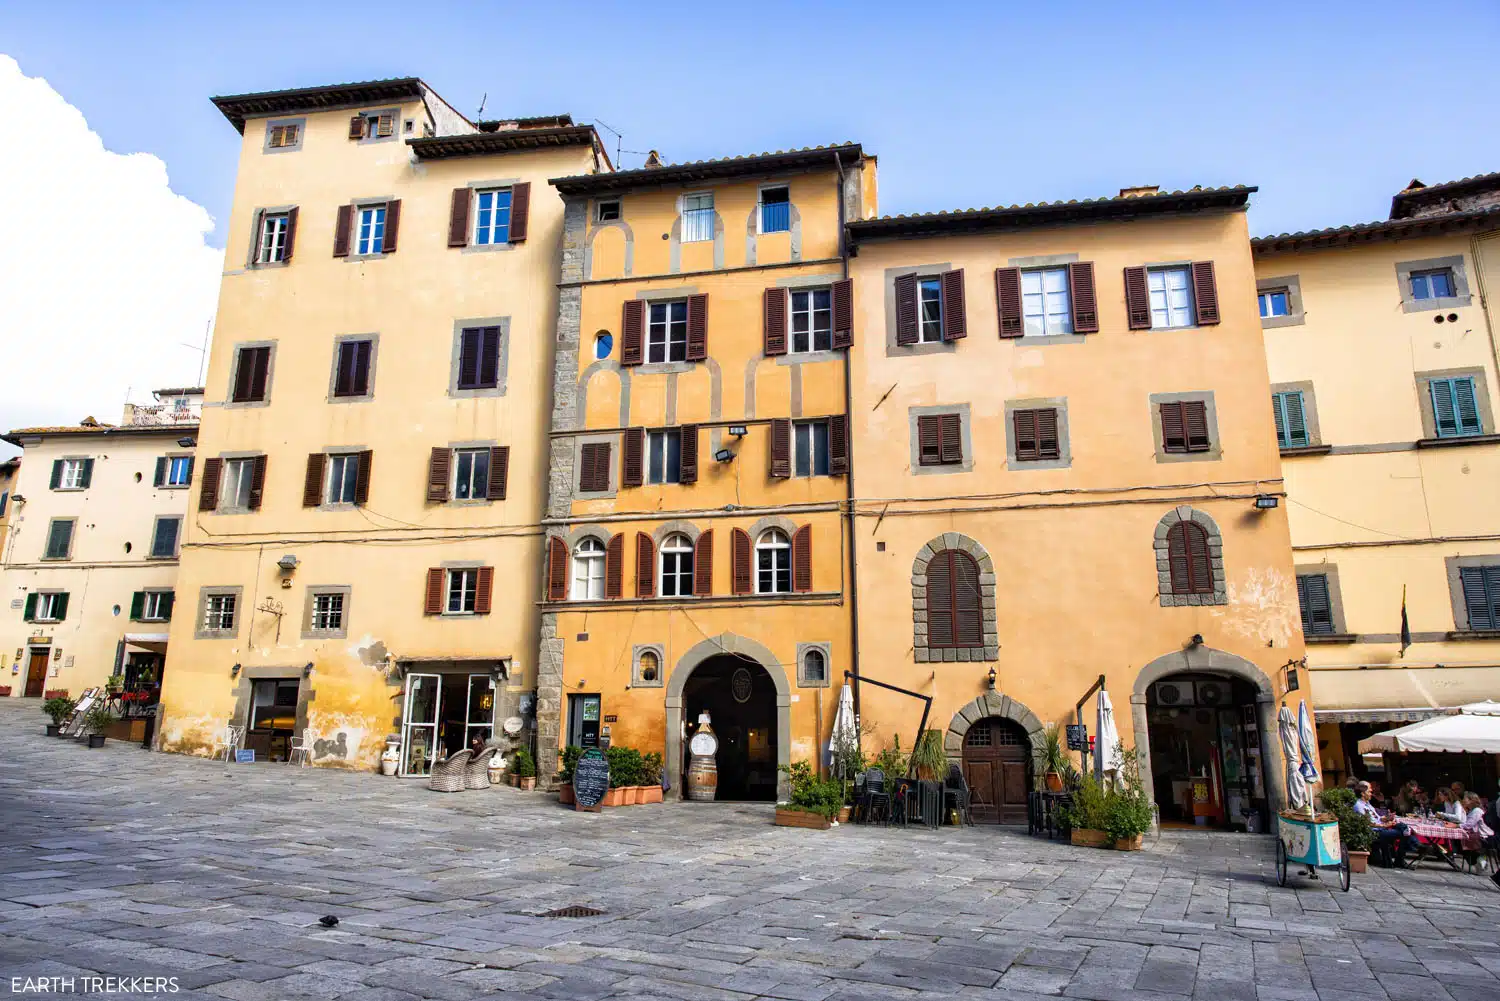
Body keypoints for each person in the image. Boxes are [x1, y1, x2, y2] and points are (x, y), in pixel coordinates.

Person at [1356, 781, 1419, 867]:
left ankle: (1407, 848)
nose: (1371, 793)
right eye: (1369, 791)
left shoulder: (1367, 804)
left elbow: (1378, 818)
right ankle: (1406, 853)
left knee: (1403, 829)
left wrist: (1387, 818)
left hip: (1381, 829)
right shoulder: (1359, 805)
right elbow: (1367, 823)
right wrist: (1384, 825)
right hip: (1374, 832)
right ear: (1363, 793)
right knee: (1404, 833)